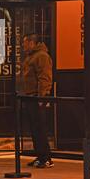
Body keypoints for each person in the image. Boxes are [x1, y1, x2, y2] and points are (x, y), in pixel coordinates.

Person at [22, 33, 54, 169]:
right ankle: (40, 156)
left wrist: (42, 97)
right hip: (30, 96)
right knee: (35, 129)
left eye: (25, 43)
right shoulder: (31, 56)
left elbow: (44, 78)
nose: (23, 46)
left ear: (31, 42)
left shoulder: (41, 56)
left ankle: (46, 158)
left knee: (40, 129)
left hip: (37, 97)